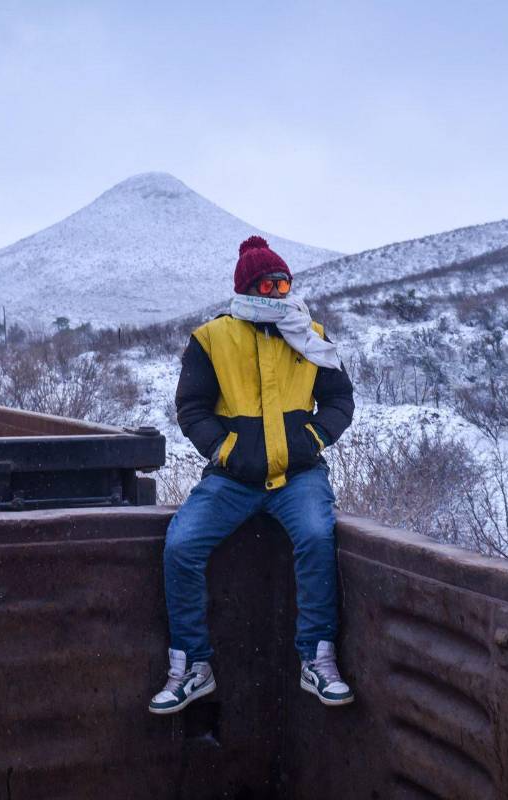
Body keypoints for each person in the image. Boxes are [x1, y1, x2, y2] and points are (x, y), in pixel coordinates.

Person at [149, 235, 356, 715]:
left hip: (299, 476)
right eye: (268, 283)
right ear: (247, 288)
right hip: (232, 480)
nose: (279, 292)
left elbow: (341, 400)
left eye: (284, 282)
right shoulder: (211, 339)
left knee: (315, 538)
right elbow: (192, 408)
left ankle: (317, 659)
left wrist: (315, 439)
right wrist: (224, 449)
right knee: (181, 545)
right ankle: (191, 666)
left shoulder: (310, 334)